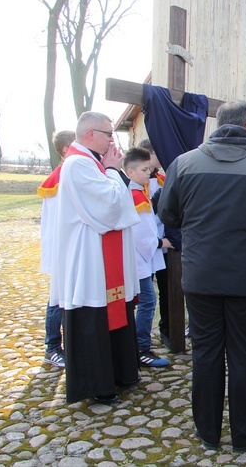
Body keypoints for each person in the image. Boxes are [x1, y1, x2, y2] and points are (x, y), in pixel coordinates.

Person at [159, 100, 246, 452]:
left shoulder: (184, 164)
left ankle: (207, 432)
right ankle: (242, 433)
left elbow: (169, 214)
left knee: (205, 351)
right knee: (244, 352)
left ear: (217, 125)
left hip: (201, 275)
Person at [49, 112, 141, 403]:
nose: (112, 140)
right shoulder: (78, 164)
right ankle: (97, 386)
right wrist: (114, 170)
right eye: (107, 133)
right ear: (89, 134)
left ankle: (119, 373)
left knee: (112, 310)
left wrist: (111, 170)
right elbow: (109, 209)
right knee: (93, 315)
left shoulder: (91, 163)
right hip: (89, 259)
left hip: (102, 257)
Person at [123, 148, 173, 368]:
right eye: (144, 169)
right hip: (137, 260)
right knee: (147, 302)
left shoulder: (138, 192)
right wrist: (160, 243)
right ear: (130, 172)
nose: (148, 173)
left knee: (145, 301)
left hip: (138, 259)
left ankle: (136, 345)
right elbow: (142, 234)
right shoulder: (136, 197)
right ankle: (141, 347)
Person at [37, 130, 76, 368]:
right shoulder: (60, 178)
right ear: (65, 150)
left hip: (70, 246)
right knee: (57, 298)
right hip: (62, 247)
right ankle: (52, 346)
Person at [137, 138, 179, 348]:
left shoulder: (162, 180)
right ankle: (140, 340)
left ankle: (168, 330)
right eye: (156, 154)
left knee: (167, 290)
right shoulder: (134, 185)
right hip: (146, 246)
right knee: (144, 297)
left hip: (165, 245)